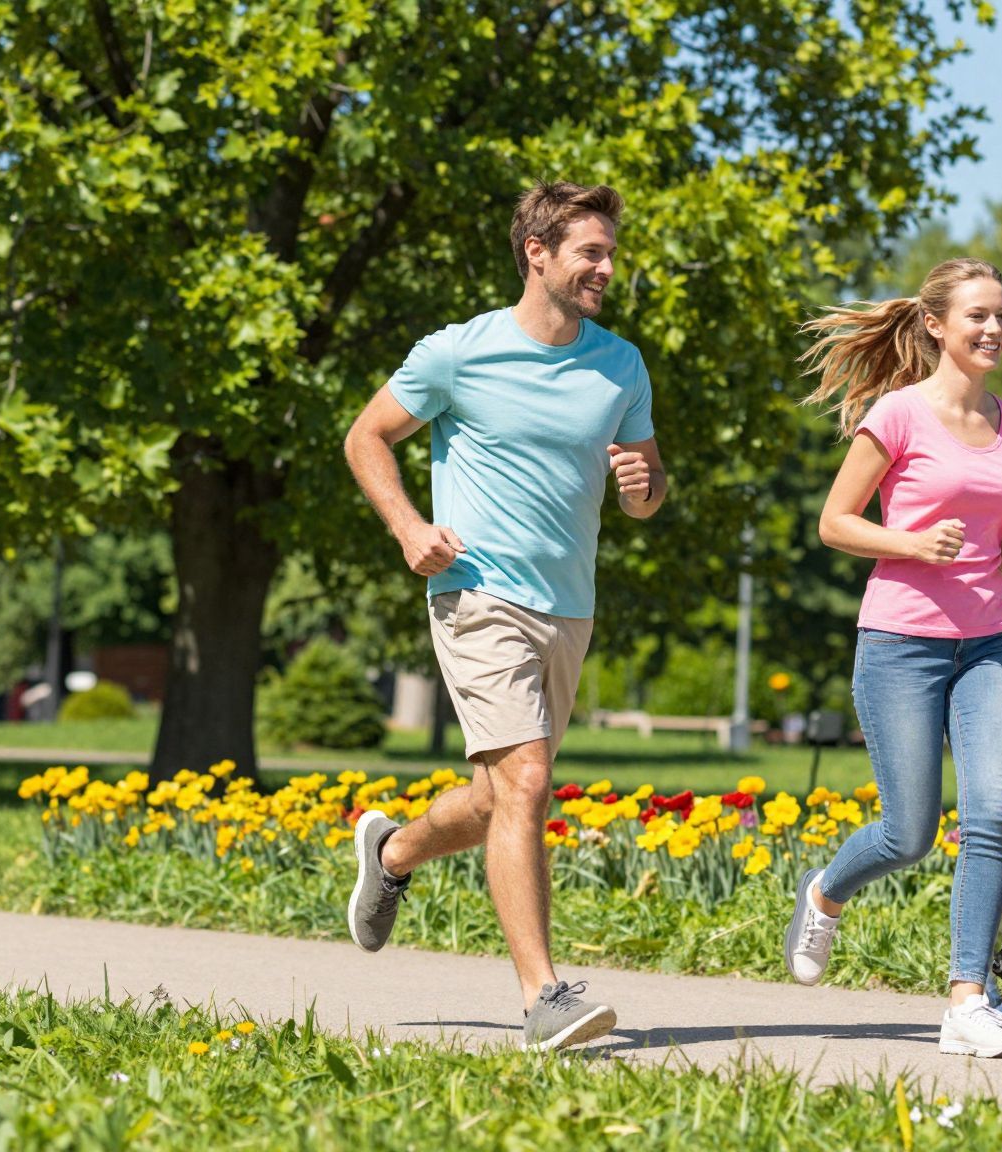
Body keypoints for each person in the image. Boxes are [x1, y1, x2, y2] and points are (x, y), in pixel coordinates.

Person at [341, 181, 665, 1052]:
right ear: (537, 253)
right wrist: (409, 528)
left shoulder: (621, 364)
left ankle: (393, 853)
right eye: (590, 252)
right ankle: (544, 998)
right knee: (527, 782)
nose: (606, 267)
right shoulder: (459, 352)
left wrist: (643, 487)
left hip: (570, 606)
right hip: (477, 593)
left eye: (609, 253)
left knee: (496, 797)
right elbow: (366, 436)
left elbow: (645, 491)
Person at [779, 257, 1002, 1059]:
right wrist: (911, 543)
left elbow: (998, 540)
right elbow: (835, 522)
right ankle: (826, 892)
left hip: (988, 645)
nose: (994, 329)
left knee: (989, 817)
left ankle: (967, 999)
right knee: (908, 834)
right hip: (900, 642)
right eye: (978, 315)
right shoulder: (898, 415)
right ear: (936, 325)